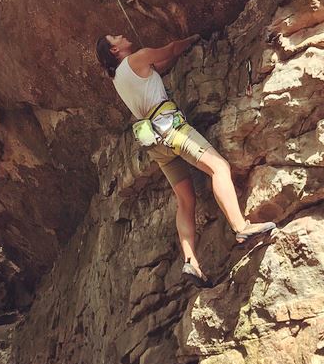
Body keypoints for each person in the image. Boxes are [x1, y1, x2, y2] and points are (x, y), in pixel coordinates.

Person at [95, 32, 275, 286]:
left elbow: (159, 67)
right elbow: (169, 50)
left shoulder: (119, 78)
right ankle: (240, 227)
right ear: (114, 50)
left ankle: (191, 261)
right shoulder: (137, 58)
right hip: (172, 129)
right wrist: (190, 40)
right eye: (115, 37)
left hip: (155, 143)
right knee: (219, 167)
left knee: (185, 200)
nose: (121, 35)